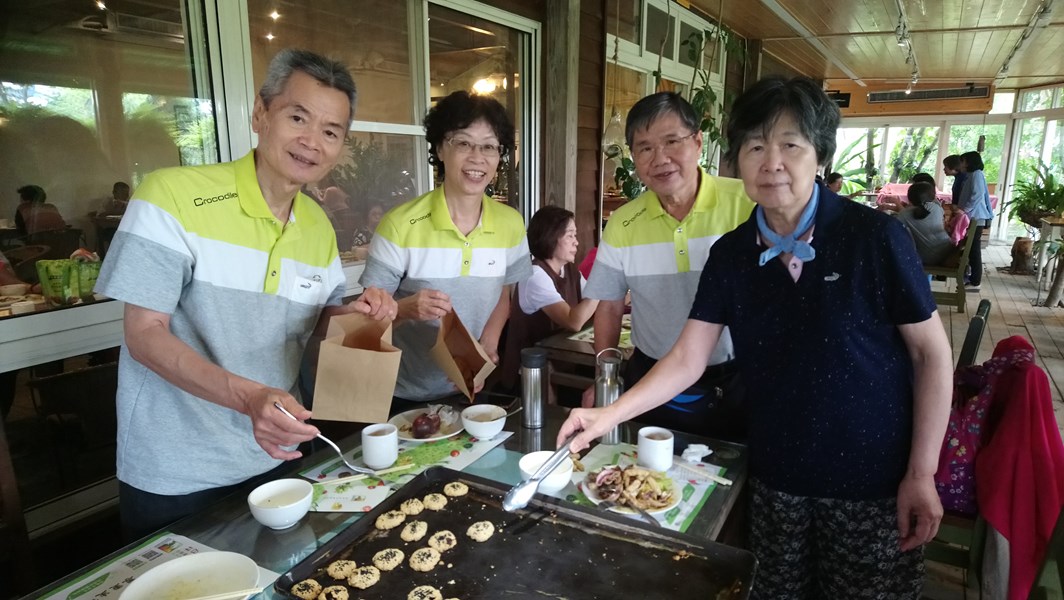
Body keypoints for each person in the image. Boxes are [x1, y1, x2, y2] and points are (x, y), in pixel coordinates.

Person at [559, 76, 953, 599]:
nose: (773, 162)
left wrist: (922, 472)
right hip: (775, 469)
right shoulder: (732, 253)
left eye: (791, 144)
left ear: (819, 154)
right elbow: (687, 357)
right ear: (736, 159)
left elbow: (931, 356)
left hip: (870, 475)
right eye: (756, 146)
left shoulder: (873, 237)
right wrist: (607, 413)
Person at [94, 49, 397, 540]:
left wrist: (358, 314)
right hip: (178, 471)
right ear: (261, 114)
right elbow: (144, 334)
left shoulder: (318, 224)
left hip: (277, 454)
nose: (311, 141)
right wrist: (249, 397)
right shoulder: (172, 197)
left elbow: (315, 322)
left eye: (330, 131)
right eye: (297, 116)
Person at [582, 91, 753, 441]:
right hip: (650, 379)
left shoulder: (747, 205)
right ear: (633, 157)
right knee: (643, 484)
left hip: (735, 379)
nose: (660, 158)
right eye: (645, 148)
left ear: (698, 141)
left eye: (671, 141)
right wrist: (605, 380)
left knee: (732, 481)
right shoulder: (623, 223)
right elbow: (610, 307)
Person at [360, 90, 531, 407]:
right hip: (400, 392)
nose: (477, 157)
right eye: (463, 143)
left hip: (469, 384)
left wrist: (488, 345)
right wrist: (406, 308)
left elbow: (505, 293)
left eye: (489, 146)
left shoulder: (511, 224)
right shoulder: (400, 225)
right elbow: (364, 325)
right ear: (440, 148)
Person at [499, 205, 598, 389]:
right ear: (551, 237)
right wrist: (602, 285)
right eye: (570, 235)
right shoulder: (535, 275)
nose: (576, 242)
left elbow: (596, 303)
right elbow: (573, 321)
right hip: (530, 377)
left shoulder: (569, 271)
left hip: (560, 367)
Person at [957, 150, 994, 291]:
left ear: (968, 162)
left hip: (976, 217)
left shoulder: (977, 174)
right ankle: (973, 278)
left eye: (963, 161)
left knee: (974, 249)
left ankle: (975, 281)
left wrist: (964, 209)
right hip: (972, 217)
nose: (961, 164)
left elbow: (977, 195)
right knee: (971, 248)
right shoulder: (972, 175)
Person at [897, 182, 955, 265]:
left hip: (929, 258)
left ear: (909, 198)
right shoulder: (937, 208)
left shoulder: (905, 214)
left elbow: (894, 228)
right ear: (932, 196)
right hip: (949, 251)